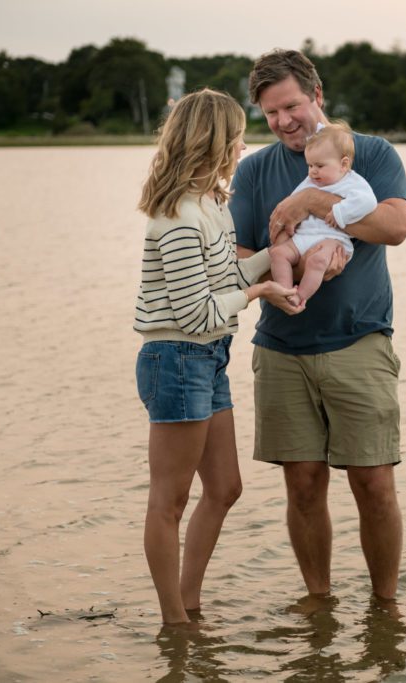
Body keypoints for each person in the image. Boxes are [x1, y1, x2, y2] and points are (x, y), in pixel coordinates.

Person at [230, 49, 406, 601]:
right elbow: (241, 258)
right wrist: (278, 262)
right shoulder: (255, 169)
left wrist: (314, 201)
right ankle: (320, 601)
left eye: (291, 106)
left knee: (374, 484)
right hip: (282, 347)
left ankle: (385, 609)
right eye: (270, 114)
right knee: (303, 486)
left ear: (317, 95)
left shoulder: (372, 153)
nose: (284, 121)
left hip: (360, 340)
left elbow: (395, 226)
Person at [133, 88, 299, 625]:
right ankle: (173, 621)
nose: (242, 144)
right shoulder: (179, 215)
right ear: (216, 141)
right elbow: (197, 315)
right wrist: (260, 292)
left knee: (225, 487)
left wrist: (273, 258)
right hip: (178, 357)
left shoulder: (211, 206)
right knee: (169, 501)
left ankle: (189, 605)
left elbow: (222, 280)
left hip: (208, 358)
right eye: (237, 135)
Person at [269, 122, 377, 308]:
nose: (312, 171)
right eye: (309, 165)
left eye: (319, 165)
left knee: (317, 262)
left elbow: (368, 202)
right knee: (278, 253)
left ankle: (300, 297)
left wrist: (340, 211)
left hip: (333, 239)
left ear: (343, 164)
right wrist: (287, 230)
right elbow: (292, 206)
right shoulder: (310, 181)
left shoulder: (352, 183)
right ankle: (285, 292)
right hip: (304, 237)